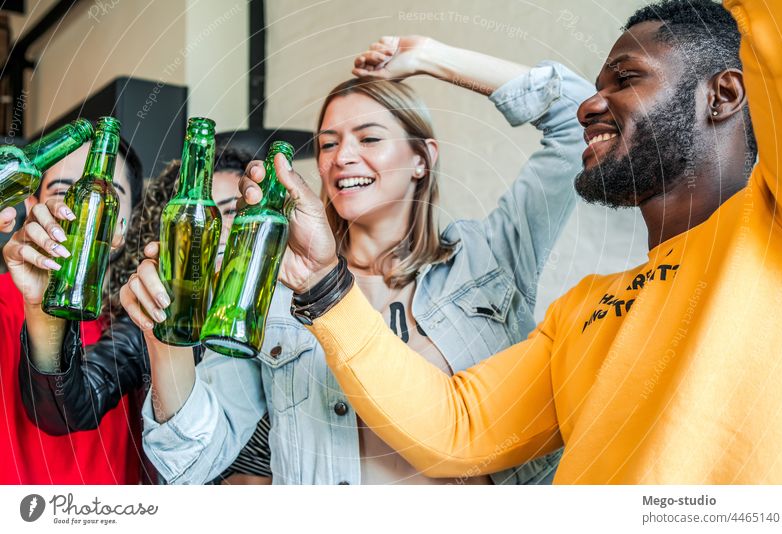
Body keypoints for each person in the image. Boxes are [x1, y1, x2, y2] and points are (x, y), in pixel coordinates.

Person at [243, 0, 782, 484]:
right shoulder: (582, 314)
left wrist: (434, 55)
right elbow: (455, 429)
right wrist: (322, 283)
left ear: (724, 93)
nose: (589, 104)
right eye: (328, 143)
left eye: (625, 79)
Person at [126, 38, 592, 484]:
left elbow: (581, 116)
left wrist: (433, 58)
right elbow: (189, 459)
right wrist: (164, 337)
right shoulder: (278, 294)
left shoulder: (492, 256)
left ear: (422, 159)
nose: (343, 157)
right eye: (328, 144)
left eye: (369, 138)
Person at [9, 146, 269, 484]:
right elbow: (67, 408)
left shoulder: (288, 315)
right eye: (196, 219)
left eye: (231, 212)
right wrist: (43, 309)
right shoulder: (143, 325)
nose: (215, 232)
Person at [0, 137, 142, 484]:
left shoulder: (138, 322)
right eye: (65, 192)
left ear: (124, 225)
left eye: (105, 195)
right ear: (32, 204)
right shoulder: (3, 303)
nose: (83, 210)